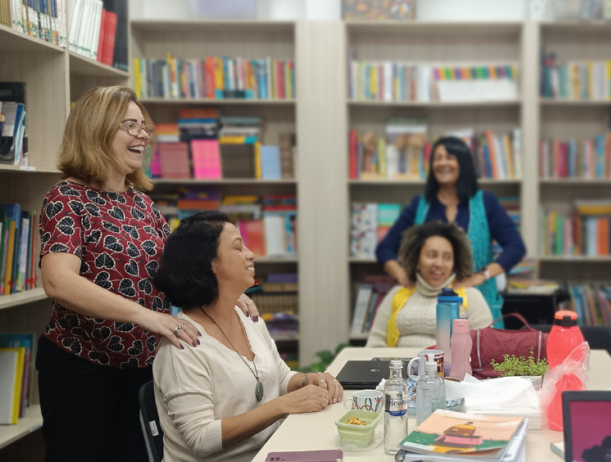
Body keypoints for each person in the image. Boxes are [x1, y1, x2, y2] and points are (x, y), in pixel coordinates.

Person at [36, 86, 260, 462]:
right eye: (130, 125)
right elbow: (59, 281)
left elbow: (178, 272)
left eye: (145, 127)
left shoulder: (141, 204)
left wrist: (228, 292)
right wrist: (148, 316)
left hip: (142, 369)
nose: (143, 135)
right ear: (96, 128)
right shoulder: (65, 199)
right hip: (81, 369)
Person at [151, 212, 343, 462]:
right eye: (238, 248)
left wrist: (310, 380)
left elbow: (280, 377)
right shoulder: (182, 345)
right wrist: (282, 406)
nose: (251, 254)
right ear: (209, 264)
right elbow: (200, 439)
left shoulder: (246, 317)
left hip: (271, 452)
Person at [376, 136, 526, 327]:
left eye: (449, 157)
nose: (442, 163)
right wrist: (402, 275)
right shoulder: (419, 206)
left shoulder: (485, 202)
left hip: (477, 306)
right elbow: (385, 249)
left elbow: (516, 246)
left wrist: (481, 276)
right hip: (425, 309)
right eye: (437, 158)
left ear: (462, 163)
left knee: (479, 354)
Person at [368, 221, 493, 347]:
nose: (439, 263)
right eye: (432, 255)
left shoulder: (472, 297)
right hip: (398, 366)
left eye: (447, 257)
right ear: (416, 260)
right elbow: (375, 342)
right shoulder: (396, 294)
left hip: (450, 367)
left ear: (454, 263)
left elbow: (484, 349)